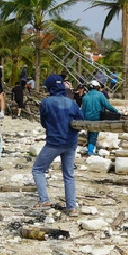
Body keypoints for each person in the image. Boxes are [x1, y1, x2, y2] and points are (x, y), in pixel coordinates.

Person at [32, 75, 83, 213]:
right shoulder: (72, 102)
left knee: (38, 170)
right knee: (69, 175)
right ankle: (71, 207)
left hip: (54, 143)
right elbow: (81, 120)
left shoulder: (46, 102)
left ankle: (44, 200)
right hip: (71, 143)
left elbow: (43, 123)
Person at [81, 80, 119, 156]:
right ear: (97, 87)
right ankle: (90, 151)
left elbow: (83, 109)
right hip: (96, 117)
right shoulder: (100, 95)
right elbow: (107, 105)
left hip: (87, 118)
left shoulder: (85, 96)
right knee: (94, 134)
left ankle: (89, 148)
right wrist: (116, 111)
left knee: (89, 133)